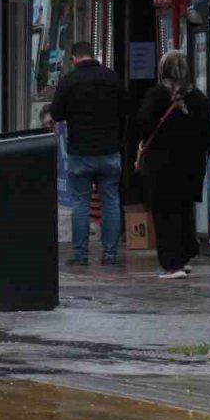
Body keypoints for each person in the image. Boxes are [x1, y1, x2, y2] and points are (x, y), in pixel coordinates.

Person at [134, 50, 210, 279]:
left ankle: (171, 264)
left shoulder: (156, 95)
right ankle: (183, 258)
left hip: (162, 167)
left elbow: (142, 124)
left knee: (164, 214)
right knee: (184, 211)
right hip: (191, 168)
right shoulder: (198, 97)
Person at [49, 41, 127, 265]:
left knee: (80, 203)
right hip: (110, 150)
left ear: (74, 59)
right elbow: (126, 108)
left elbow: (56, 113)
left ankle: (81, 254)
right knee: (111, 201)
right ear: (93, 56)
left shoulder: (69, 81)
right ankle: (110, 254)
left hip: (80, 152)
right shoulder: (112, 78)